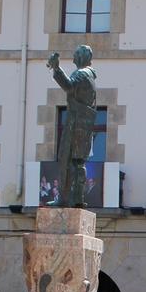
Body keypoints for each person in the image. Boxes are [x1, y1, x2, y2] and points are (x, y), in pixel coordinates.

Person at [47, 44, 98, 208]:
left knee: (66, 159)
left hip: (75, 122)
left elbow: (68, 86)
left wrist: (56, 68)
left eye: (76, 55)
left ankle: (64, 197)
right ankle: (75, 198)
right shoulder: (90, 75)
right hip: (83, 123)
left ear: (83, 57)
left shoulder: (82, 74)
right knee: (77, 162)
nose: (74, 58)